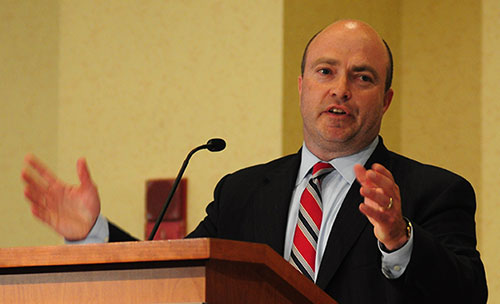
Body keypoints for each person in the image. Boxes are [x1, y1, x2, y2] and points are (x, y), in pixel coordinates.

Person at [22, 19, 487, 303]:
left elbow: (467, 297)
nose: (340, 88)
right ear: (301, 86)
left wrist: (399, 239)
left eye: (361, 77)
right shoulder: (241, 193)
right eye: (326, 71)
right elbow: (179, 284)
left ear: (385, 101)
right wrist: (93, 233)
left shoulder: (432, 192)